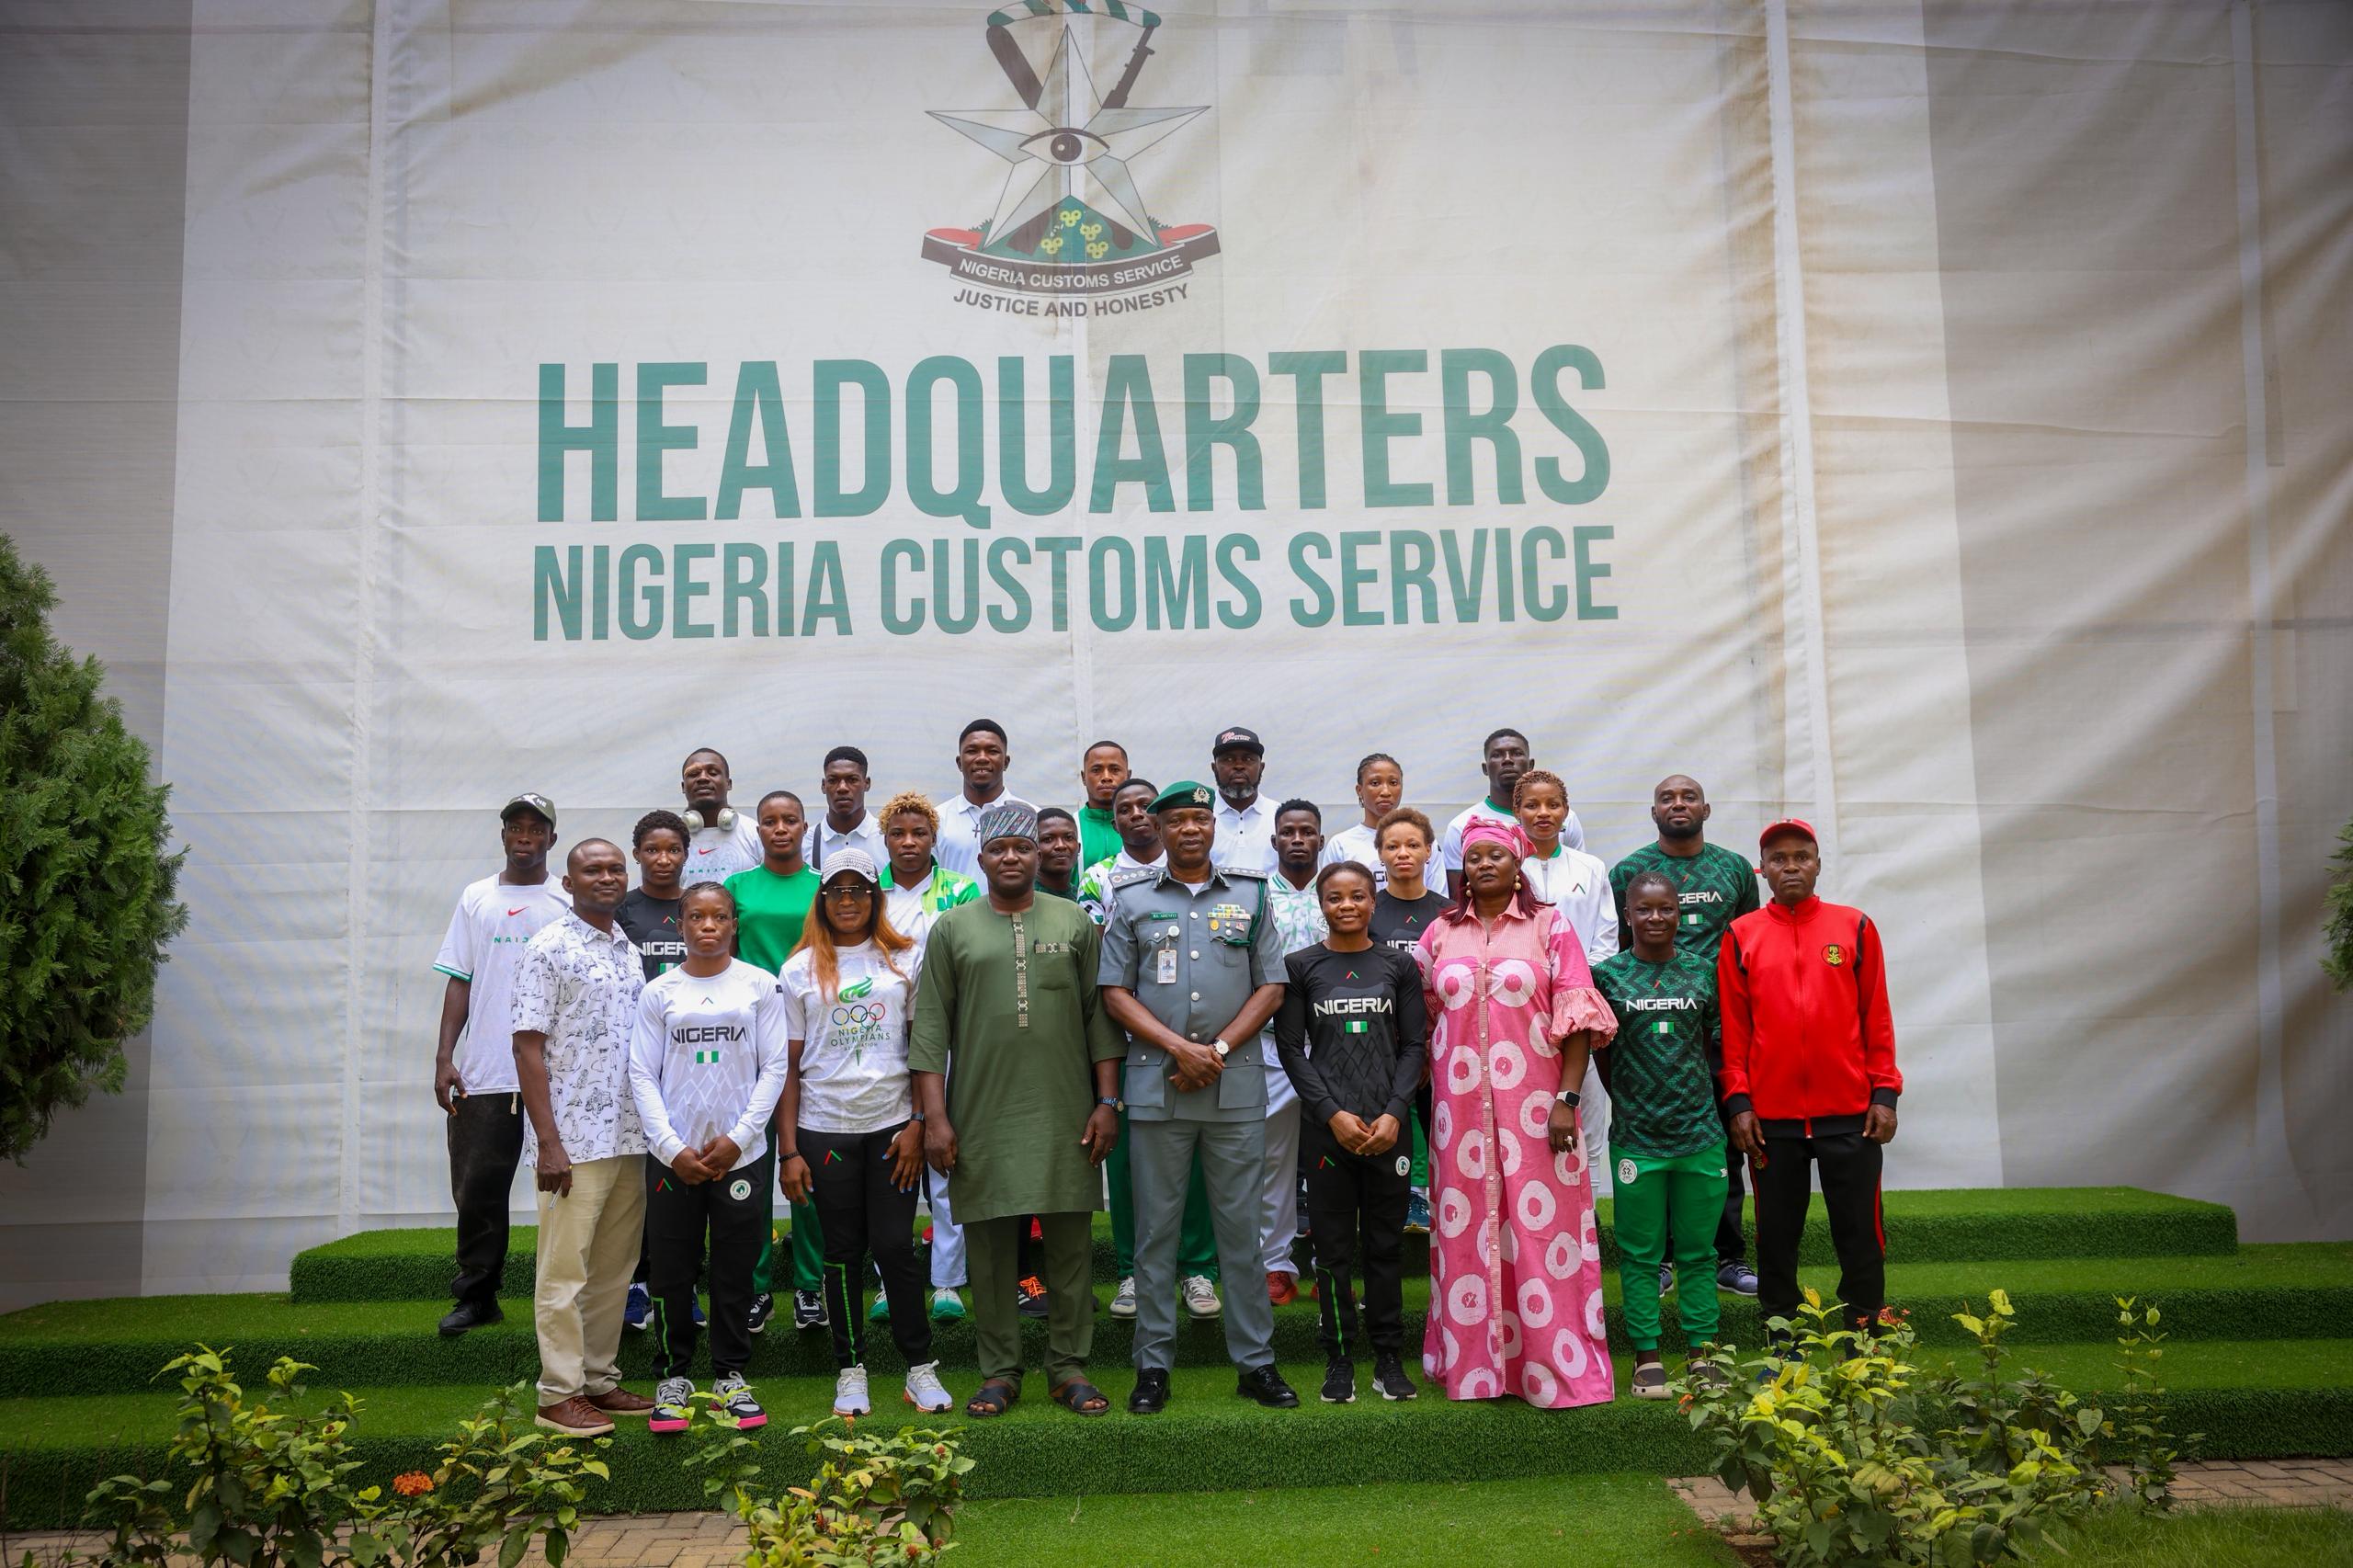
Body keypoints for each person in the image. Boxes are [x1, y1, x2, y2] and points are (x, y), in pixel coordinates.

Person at [912, 801, 1123, 1417]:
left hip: (1067, 1112)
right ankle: (1000, 1371)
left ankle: (1068, 1367)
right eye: (998, 849)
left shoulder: (1074, 921)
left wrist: (1107, 1102)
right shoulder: (952, 928)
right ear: (980, 860)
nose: (1011, 858)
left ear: (1039, 855)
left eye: (1022, 848)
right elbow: (930, 1029)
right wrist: (935, 1118)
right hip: (980, 1113)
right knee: (990, 1251)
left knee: (1070, 1247)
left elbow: (1100, 1020)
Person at [1100, 781, 1298, 1415]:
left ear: (1214, 827)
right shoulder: (1132, 898)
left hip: (1232, 1087)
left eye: (1200, 818)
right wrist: (1178, 1049)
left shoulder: (1251, 893)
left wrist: (1213, 1050)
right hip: (1158, 1087)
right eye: (1178, 820)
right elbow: (1114, 992)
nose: (1191, 828)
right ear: (1158, 830)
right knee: (1155, 1233)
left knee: (1240, 1231)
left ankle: (1256, 1363)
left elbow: (1271, 986)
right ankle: (1153, 1366)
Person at [1415, 818, 1615, 1408]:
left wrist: (1567, 1101)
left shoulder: (1550, 927)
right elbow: (1423, 1019)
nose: (1484, 864)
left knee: (1543, 1232)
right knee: (1466, 1232)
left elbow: (1576, 1020)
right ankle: (1475, 1368)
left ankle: (1554, 1367)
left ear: (1516, 865)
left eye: (1495, 856)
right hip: (1458, 1115)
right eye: (1474, 856)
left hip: (1538, 1108)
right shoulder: (1439, 933)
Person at [773, 850, 953, 1419]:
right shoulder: (798, 969)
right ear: (822, 899)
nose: (847, 900)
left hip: (893, 1128)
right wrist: (788, 1150)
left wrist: (919, 1123)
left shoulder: (905, 958)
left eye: (859, 889)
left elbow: (924, 1050)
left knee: (896, 1247)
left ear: (876, 897)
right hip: (824, 1128)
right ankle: (851, 1370)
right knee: (842, 1252)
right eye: (837, 890)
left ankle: (919, 1367)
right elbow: (787, 1067)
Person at [1719, 819, 1902, 1339]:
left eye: (1802, 857)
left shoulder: (1855, 927)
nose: (1791, 866)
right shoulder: (1741, 935)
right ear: (1763, 870)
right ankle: (1784, 1345)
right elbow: (1734, 1030)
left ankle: (1865, 1341)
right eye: (1779, 859)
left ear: (1818, 864)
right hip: (1770, 1122)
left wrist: (1884, 1093)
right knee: (1776, 1239)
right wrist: (1739, 1102)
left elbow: (1876, 1018)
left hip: (1851, 1115)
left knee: (1861, 1235)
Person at [629, 881, 790, 1435]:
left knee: (734, 1268)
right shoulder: (659, 992)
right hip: (673, 1158)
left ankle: (730, 1374)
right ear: (680, 925)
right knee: (672, 1269)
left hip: (741, 1157)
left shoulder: (759, 986)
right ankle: (672, 1376)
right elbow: (642, 1074)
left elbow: (775, 1068)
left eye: (719, 917)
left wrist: (740, 1138)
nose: (708, 926)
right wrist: (671, 1148)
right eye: (696, 917)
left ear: (733, 924)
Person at [510, 839, 655, 1437]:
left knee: (614, 1270)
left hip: (629, 1135)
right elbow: (527, 1047)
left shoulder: (627, 949)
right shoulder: (548, 947)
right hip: (572, 1142)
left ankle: (597, 1379)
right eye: (592, 870)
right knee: (563, 1272)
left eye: (615, 868)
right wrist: (548, 1142)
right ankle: (557, 1394)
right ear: (568, 883)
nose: (607, 877)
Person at [1274, 860, 1427, 1404]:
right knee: (1333, 1251)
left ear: (1372, 901)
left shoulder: (1398, 965)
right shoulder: (1300, 966)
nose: (1346, 905)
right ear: (1321, 905)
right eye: (1335, 897)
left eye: (1357, 896)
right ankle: (1338, 1358)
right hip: (1327, 1132)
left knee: (1385, 1247)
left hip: (1388, 1129)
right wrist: (1332, 1115)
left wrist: (1394, 1112)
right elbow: (1291, 1050)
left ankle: (1388, 1358)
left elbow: (1414, 1045)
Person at [1610, 774, 1764, 1297]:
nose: (1678, 804)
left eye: (1689, 797)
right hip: (1650, 1030)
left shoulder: (1735, 868)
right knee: (1653, 1146)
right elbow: (1620, 943)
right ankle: (1660, 1260)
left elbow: (1749, 943)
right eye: (1667, 798)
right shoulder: (1629, 871)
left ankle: (1727, 1256)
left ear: (1706, 808)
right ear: (1653, 812)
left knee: (1723, 1142)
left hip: (1719, 1026)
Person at [1077, 778, 1222, 1322]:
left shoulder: (1206, 876)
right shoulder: (1099, 879)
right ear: (1114, 820)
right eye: (1126, 808)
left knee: (1198, 1161)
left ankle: (1198, 1269)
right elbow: (1103, 963)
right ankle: (1133, 1271)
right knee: (1130, 1165)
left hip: (1200, 1047)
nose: (1137, 814)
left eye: (1146, 806)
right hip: (1129, 1040)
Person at [432, 792, 569, 1336]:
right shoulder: (477, 897)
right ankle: (478, 1296)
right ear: (504, 834)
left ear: (552, 838)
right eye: (516, 827)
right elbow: (460, 978)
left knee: (569, 1191)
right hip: (486, 1072)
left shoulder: (568, 897)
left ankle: (570, 1299)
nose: (525, 836)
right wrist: (446, 1056)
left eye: (536, 828)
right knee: (478, 1190)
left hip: (557, 1074)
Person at [1593, 871, 1731, 1397]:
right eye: (1644, 909)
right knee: (1641, 1254)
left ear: (1679, 913)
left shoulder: (1703, 972)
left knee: (1698, 1251)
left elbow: (1718, 1044)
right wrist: (1632, 1100)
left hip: (1700, 1135)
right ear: (1627, 915)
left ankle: (1703, 1354)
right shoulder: (1608, 977)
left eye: (1666, 909)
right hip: (1637, 1140)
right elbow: (1602, 1053)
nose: (1656, 918)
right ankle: (1646, 1358)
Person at [875, 789, 981, 1322]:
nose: (909, 842)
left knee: (943, 1153)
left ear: (934, 838)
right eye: (898, 834)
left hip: (946, 1033)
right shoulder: (869, 894)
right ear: (885, 840)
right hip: (881, 1037)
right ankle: (887, 1283)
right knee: (889, 1160)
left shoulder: (961, 890)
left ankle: (947, 1282)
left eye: (919, 833)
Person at [727, 790, 824, 1334]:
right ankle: (755, 1286)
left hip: (811, 1034)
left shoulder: (824, 887)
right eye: (770, 821)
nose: (780, 828)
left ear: (805, 827)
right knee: (753, 1167)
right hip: (751, 1038)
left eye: (790, 820)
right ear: (758, 829)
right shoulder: (737, 888)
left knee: (803, 1163)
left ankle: (811, 1286)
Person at [1515, 768, 1619, 1195]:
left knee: (1587, 1110)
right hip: (1523, 1009)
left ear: (1565, 811)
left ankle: (1587, 1213)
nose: (1543, 813)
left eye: (1552, 804)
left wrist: (1571, 991)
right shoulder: (1508, 867)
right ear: (1517, 812)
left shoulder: (1590, 868)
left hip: (1579, 1012)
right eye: (1532, 805)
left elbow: (1605, 939)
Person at [616, 809, 691, 1335]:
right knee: (642, 1177)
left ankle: (683, 1284)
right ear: (638, 854)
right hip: (636, 1057)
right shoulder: (621, 910)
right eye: (652, 850)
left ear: (686, 854)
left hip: (692, 1058)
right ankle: (637, 1283)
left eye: (673, 850)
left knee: (686, 1171)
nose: (663, 859)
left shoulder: (700, 906)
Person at [1258, 799, 1329, 1305]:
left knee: (1335, 1157)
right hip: (1271, 1045)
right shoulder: (1256, 896)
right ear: (1275, 840)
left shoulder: (1340, 889)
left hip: (1334, 1044)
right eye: (1289, 832)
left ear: (1321, 840)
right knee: (1273, 1159)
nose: (1298, 839)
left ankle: (1333, 1262)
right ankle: (1275, 1265)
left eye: (1307, 831)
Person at [1369, 805, 1448, 1235]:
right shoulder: (1368, 910)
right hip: (1383, 1039)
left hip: (1441, 1040)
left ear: (1429, 851)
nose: (1403, 853)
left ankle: (1444, 1198)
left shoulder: (1450, 913)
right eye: (1393, 846)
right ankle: (1405, 1198)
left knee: (1441, 1125)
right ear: (1379, 853)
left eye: (1413, 845)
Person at [1439, 729, 1585, 899]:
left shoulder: (1564, 818)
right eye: (1497, 755)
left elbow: (1580, 878)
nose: (1507, 760)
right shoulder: (1462, 825)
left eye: (1516, 753)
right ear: (1485, 768)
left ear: (1530, 765)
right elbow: (1459, 898)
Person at [935, 720, 1011, 878]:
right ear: (959, 763)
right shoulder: (936, 820)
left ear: (1006, 762)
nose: (982, 758)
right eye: (972, 751)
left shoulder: (1030, 817)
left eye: (992, 751)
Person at [679, 749, 766, 882]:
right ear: (683, 786)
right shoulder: (670, 834)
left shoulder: (753, 831)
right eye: (694, 774)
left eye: (713, 773)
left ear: (728, 784)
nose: (703, 778)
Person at [1320, 754, 1404, 891]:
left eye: (1393, 783)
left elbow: (1436, 897)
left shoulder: (1421, 841)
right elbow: (1330, 895)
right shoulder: (1341, 844)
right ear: (1360, 790)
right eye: (1375, 783)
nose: (1385, 792)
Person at [1208, 726, 1279, 875]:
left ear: (1261, 767)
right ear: (1214, 768)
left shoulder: (1280, 816)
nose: (1239, 766)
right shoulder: (1200, 817)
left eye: (1248, 759)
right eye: (1228, 759)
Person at [811, 746, 885, 870]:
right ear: (823, 785)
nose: (842, 788)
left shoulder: (886, 838)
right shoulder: (806, 842)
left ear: (866, 784)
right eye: (833, 780)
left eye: (852, 780)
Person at [1074, 740, 1130, 869]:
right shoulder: (1069, 828)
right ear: (1083, 777)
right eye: (1096, 770)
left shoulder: (1145, 827)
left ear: (1128, 775)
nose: (1106, 777)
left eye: (1115, 770)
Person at [1036, 807, 1083, 900]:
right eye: (1048, 839)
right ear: (1033, 849)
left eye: (1069, 838)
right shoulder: (1023, 897)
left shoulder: (1083, 897)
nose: (1061, 846)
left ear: (1079, 848)